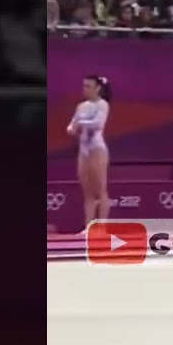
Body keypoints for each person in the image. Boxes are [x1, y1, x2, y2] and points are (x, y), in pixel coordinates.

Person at [66, 74, 111, 232]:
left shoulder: (102, 104)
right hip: (83, 150)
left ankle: (102, 226)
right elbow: (71, 125)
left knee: (100, 189)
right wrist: (71, 129)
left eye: (89, 86)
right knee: (88, 192)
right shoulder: (81, 106)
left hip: (97, 149)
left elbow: (97, 123)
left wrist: (80, 123)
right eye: (84, 86)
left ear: (98, 88)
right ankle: (89, 226)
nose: (85, 89)